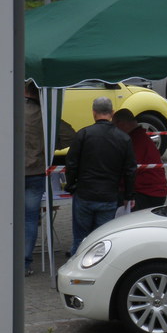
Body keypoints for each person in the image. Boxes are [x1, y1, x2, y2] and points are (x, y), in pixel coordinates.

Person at [65, 97, 136, 255]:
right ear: (112, 113)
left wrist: (71, 186)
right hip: (109, 196)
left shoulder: (83, 134)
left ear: (93, 112)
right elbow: (130, 169)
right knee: (103, 241)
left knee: (80, 239)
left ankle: (76, 268)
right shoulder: (124, 138)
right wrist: (128, 195)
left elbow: (71, 163)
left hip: (84, 193)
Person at [24, 81, 75, 276]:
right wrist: (53, 142)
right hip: (36, 173)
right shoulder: (47, 116)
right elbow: (72, 136)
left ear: (26, 91)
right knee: (30, 219)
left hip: (11, 174)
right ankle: (24, 263)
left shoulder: (9, 109)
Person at [112, 109, 167, 210]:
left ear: (121, 124)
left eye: (114, 126)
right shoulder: (139, 137)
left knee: (105, 200)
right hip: (152, 192)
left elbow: (128, 171)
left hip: (147, 195)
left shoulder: (135, 141)